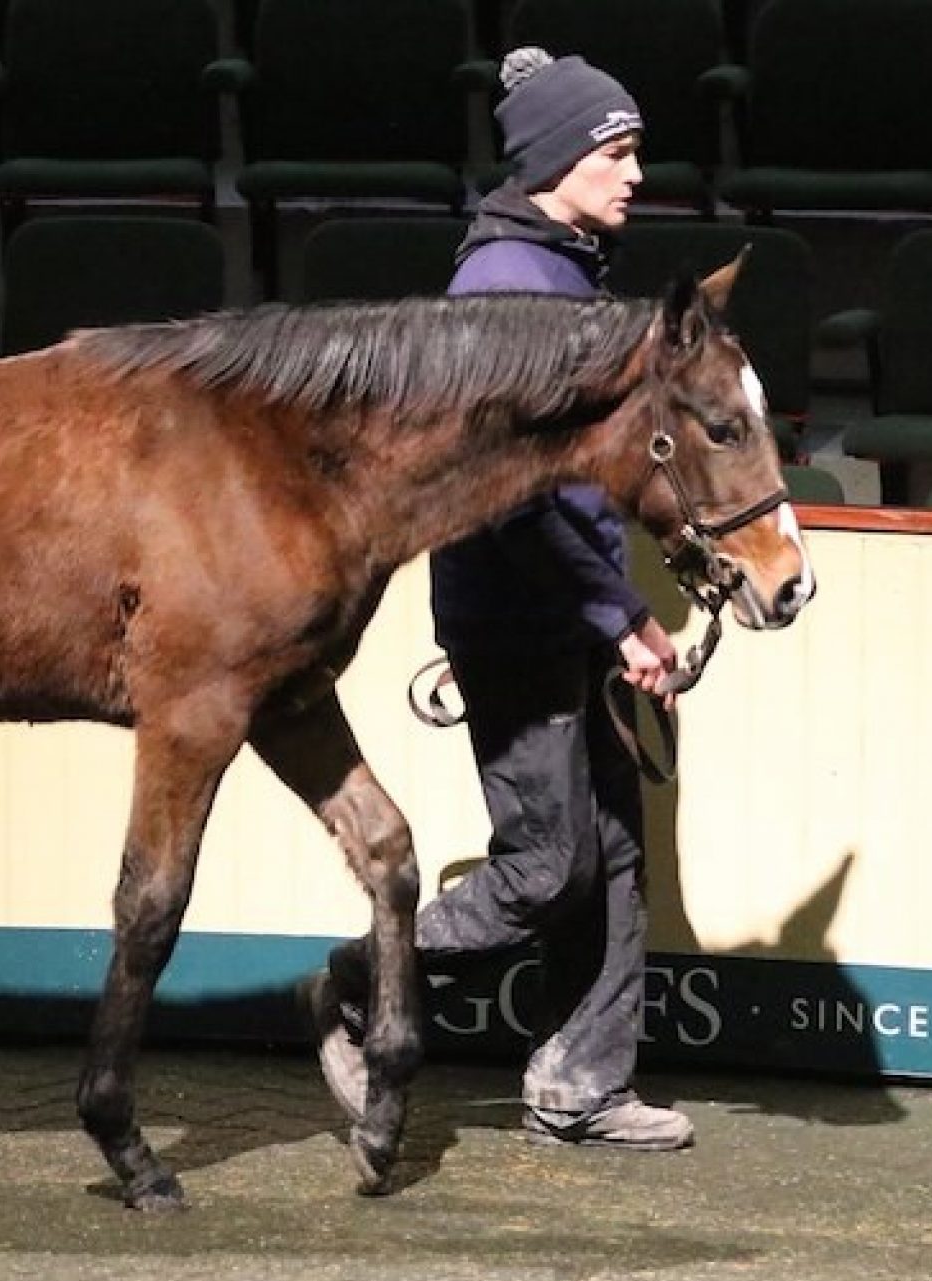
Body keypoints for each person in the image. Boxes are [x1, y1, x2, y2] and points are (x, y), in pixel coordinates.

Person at [314, 47, 694, 1152]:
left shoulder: (562, 271)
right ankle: (353, 982)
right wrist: (618, 612)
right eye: (615, 153)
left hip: (564, 608)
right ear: (558, 159)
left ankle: (583, 1080)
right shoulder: (507, 292)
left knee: (616, 849)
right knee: (544, 866)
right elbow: (509, 499)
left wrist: (616, 606)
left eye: (634, 154)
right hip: (518, 616)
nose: (633, 176)